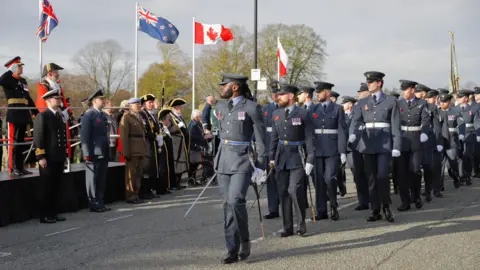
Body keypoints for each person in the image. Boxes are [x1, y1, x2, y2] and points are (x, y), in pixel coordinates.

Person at [214, 73, 266, 264]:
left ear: (235, 86)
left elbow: (261, 137)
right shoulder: (221, 106)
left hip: (242, 160)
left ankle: (244, 239)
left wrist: (261, 164)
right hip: (223, 160)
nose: (221, 88)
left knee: (236, 200)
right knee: (227, 205)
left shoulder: (252, 107)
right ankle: (231, 249)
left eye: (224, 85)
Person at [349, 71, 400, 222]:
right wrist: (352, 133)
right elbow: (356, 121)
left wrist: (396, 145)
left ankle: (386, 206)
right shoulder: (362, 102)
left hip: (384, 144)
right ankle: (375, 210)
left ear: (379, 83)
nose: (368, 84)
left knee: (383, 177)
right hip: (368, 144)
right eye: (367, 82)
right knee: (371, 179)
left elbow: (395, 125)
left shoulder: (390, 101)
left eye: (371, 82)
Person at [270, 84, 314, 236]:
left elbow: (309, 138)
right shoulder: (276, 113)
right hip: (281, 156)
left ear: (290, 96)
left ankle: (301, 224)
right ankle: (287, 227)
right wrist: (271, 158)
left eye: (281, 95)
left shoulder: (303, 113)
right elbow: (274, 138)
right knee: (283, 192)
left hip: (298, 155)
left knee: (294, 190)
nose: (278, 97)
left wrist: (310, 159)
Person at [311, 81, 347, 220]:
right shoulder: (313, 109)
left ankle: (333, 205)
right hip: (317, 149)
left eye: (319, 92)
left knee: (330, 178)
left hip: (332, 149)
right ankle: (321, 210)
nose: (317, 94)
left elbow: (342, 130)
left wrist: (342, 151)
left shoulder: (337, 109)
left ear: (327, 92)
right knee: (319, 180)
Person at [395, 80, 431, 212]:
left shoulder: (422, 103)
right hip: (402, 139)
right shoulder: (398, 103)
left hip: (416, 139)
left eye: (405, 90)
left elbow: (426, 120)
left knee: (415, 170)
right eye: (402, 90)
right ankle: (405, 201)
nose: (402, 92)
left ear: (412, 90)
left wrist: (424, 132)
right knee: (402, 173)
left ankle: (416, 196)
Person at [0, 56, 39, 175]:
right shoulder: (8, 79)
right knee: (15, 141)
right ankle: (14, 167)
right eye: (19, 66)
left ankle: (21, 167)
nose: (21, 68)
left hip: (24, 113)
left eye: (21, 66)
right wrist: (9, 71)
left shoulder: (22, 81)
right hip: (14, 113)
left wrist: (35, 111)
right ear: (13, 67)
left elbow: (27, 97)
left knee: (21, 142)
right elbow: (1, 80)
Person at [33, 89, 67, 223]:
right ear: (48, 101)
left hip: (58, 157)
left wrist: (64, 154)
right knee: (46, 187)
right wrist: (40, 157)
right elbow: (38, 138)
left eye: (59, 98)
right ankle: (45, 215)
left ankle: (54, 212)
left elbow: (62, 137)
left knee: (56, 186)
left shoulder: (58, 116)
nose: (59, 101)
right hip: (48, 157)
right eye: (56, 98)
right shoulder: (43, 116)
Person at [80, 89, 111, 212]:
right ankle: (93, 202)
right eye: (101, 99)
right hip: (94, 151)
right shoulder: (89, 115)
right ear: (94, 101)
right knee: (92, 179)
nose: (103, 101)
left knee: (101, 179)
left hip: (103, 151)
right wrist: (86, 152)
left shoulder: (102, 115)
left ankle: (100, 201)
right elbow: (85, 136)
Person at [120, 98, 148, 204]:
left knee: (138, 174)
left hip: (140, 149)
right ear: (130, 106)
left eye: (140, 104)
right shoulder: (126, 117)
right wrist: (126, 152)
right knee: (131, 174)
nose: (139, 105)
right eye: (137, 104)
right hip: (132, 150)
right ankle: (130, 196)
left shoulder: (138, 117)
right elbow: (124, 136)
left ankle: (136, 194)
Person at [261, 81, 281, 219]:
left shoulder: (287, 108)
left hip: (284, 147)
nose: (275, 95)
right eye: (273, 93)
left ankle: (289, 206)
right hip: (270, 147)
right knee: (271, 179)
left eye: (278, 93)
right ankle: (273, 209)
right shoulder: (266, 109)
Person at [351, 83, 371, 209]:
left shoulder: (372, 104)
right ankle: (363, 201)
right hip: (357, 144)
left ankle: (374, 198)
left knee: (371, 173)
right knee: (358, 174)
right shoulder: (357, 106)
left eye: (361, 92)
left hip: (370, 143)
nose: (358, 94)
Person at [438, 94, 464, 188]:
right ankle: (440, 185)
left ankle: (456, 178)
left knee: (452, 163)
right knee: (440, 163)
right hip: (440, 140)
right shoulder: (437, 112)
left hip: (452, 140)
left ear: (449, 102)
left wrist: (461, 133)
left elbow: (461, 123)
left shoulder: (455, 111)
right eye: (441, 102)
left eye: (444, 102)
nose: (442, 103)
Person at [139, 94, 162, 199]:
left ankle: (150, 189)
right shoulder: (142, 114)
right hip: (147, 142)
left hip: (153, 142)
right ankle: (145, 191)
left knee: (153, 167)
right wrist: (154, 135)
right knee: (147, 167)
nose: (152, 104)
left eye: (152, 102)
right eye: (149, 102)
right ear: (144, 104)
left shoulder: (152, 114)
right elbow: (146, 129)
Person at [164, 98, 190, 190]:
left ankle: (178, 182)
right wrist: (177, 127)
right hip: (175, 143)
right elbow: (168, 130)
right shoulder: (170, 117)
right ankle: (174, 183)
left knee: (182, 164)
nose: (180, 108)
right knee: (176, 164)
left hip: (182, 144)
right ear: (173, 108)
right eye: (178, 106)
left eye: (180, 106)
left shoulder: (180, 116)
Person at [424, 89, 444, 198]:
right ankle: (428, 189)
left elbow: (438, 127)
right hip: (425, 141)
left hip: (434, 141)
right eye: (433, 98)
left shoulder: (435, 108)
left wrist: (439, 142)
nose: (435, 100)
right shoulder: (427, 107)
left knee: (436, 166)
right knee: (428, 166)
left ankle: (436, 189)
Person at [456, 90, 475, 186]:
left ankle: (468, 175)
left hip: (470, 134)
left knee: (467, 155)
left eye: (461, 97)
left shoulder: (472, 108)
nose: (458, 99)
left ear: (466, 98)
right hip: (458, 133)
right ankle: (461, 176)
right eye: (458, 97)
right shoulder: (455, 108)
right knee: (459, 156)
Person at [157, 107, 175, 193]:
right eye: (168, 118)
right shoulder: (161, 127)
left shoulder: (165, 127)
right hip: (163, 151)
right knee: (163, 168)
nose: (169, 120)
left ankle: (167, 186)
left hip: (168, 151)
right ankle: (162, 187)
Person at [188, 109, 208, 184]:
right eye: (200, 116)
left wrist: (205, 135)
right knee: (194, 165)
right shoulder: (192, 125)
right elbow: (193, 136)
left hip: (198, 147)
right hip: (194, 148)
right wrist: (204, 137)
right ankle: (192, 178)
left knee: (195, 166)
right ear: (196, 117)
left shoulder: (198, 124)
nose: (201, 118)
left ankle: (196, 178)